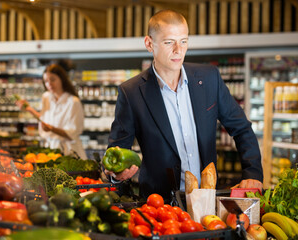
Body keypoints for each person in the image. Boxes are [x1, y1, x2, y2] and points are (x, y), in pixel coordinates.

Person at [105, 9, 263, 199]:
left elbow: (242, 129)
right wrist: (116, 176)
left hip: (208, 198)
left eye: (183, 41)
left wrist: (253, 173)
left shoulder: (210, 78)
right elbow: (117, 151)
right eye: (169, 42)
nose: (178, 50)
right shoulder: (131, 92)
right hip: (159, 204)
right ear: (149, 43)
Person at [16, 63, 87, 159]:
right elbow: (44, 119)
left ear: (62, 79)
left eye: (53, 79)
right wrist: (29, 109)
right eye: (46, 81)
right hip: (50, 150)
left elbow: (72, 134)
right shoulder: (46, 97)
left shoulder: (73, 102)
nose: (49, 84)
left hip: (69, 152)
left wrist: (51, 129)